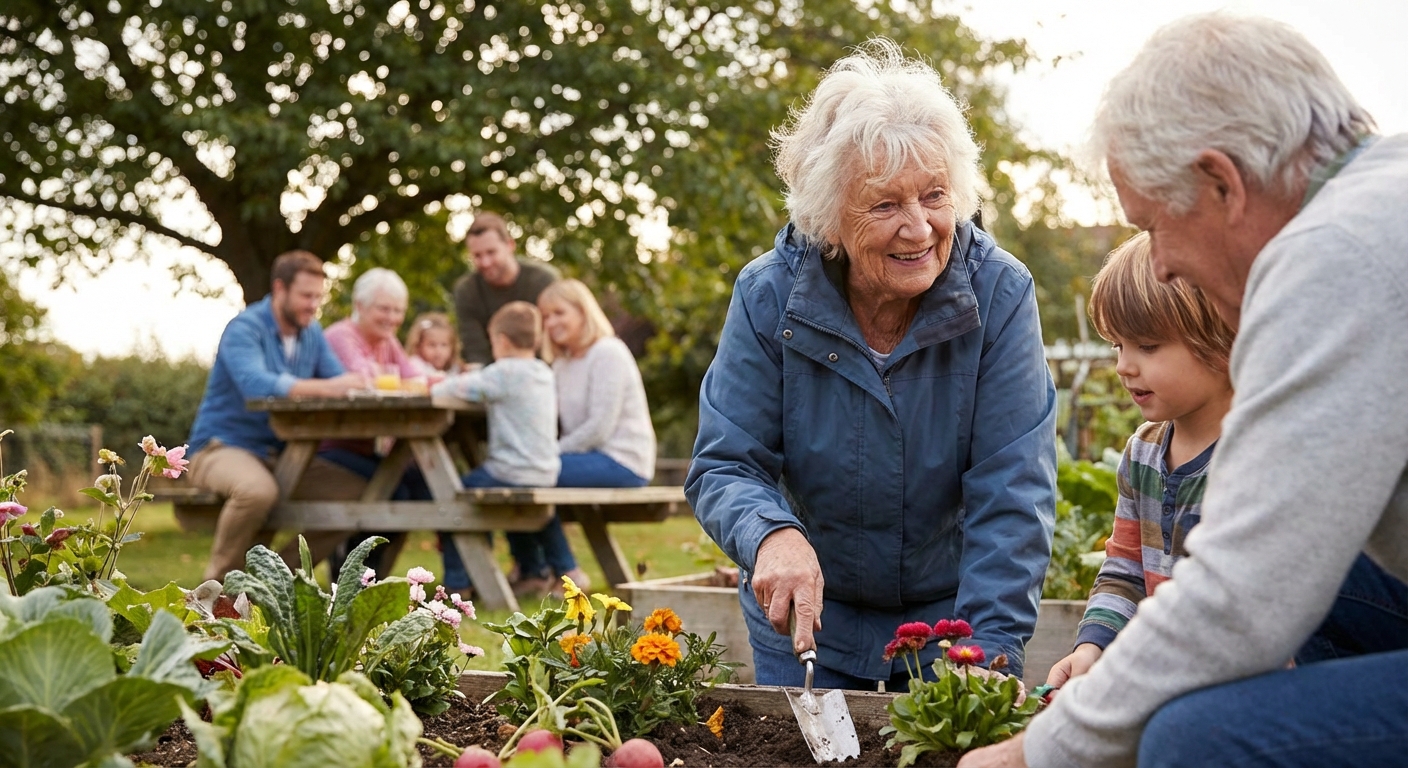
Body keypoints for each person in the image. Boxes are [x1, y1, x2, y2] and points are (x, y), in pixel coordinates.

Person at [961, 14, 1408, 768]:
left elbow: (1244, 598)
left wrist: (1034, 753)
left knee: (1194, 740)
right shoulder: (1382, 196)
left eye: (1153, 226)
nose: (1159, 265)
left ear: (1221, 183)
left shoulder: (1334, 256)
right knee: (1321, 582)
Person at [686, 39, 1057, 689]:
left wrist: (990, 649)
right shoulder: (768, 295)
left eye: (935, 195)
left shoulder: (1000, 293)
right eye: (885, 204)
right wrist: (771, 535)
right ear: (829, 217)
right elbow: (726, 461)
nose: (918, 229)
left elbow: (1013, 487)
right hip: (810, 620)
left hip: (952, 626)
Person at [1045, 233, 1235, 687]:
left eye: (1147, 346)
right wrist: (1092, 647)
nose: (1124, 367)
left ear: (1221, 338)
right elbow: (1126, 572)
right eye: (1117, 345)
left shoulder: (1251, 459)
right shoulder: (1143, 453)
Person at [187, 250, 369, 581]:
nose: (313, 305)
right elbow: (256, 385)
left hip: (281, 453)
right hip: (221, 447)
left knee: (359, 493)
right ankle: (214, 588)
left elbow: (338, 378)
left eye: (318, 297)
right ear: (280, 289)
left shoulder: (311, 332)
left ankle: (273, 581)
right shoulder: (245, 328)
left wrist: (350, 383)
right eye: (305, 295)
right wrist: (331, 387)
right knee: (256, 492)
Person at [504, 278, 658, 597]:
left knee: (526, 472)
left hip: (622, 460)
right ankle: (532, 571)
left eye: (559, 313)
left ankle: (566, 571)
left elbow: (599, 427)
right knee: (512, 472)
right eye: (545, 317)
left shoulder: (608, 352)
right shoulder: (561, 363)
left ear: (582, 312)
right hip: (585, 457)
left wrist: (548, 455)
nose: (552, 323)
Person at [431, 301, 560, 593]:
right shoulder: (543, 371)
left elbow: (458, 389)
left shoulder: (504, 372)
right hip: (545, 470)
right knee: (505, 506)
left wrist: (435, 382)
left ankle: (459, 582)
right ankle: (533, 571)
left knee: (452, 497)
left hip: (511, 470)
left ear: (501, 340)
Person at [320, 268, 428, 577]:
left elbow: (413, 378)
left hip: (365, 449)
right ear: (360, 304)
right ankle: (353, 572)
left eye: (398, 310)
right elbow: (367, 381)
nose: (392, 318)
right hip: (329, 446)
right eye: (384, 308)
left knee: (416, 483)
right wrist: (416, 382)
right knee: (396, 491)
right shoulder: (341, 336)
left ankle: (363, 574)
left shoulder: (387, 340)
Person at [452, 212, 560, 366]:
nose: (485, 262)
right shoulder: (467, 290)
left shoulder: (543, 281)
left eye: (491, 252)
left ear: (510, 245)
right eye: (477, 255)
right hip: (493, 375)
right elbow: (475, 349)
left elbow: (553, 339)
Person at [406, 312, 462, 379]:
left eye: (444, 345)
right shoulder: (415, 365)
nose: (438, 351)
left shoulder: (454, 367)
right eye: (432, 345)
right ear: (418, 346)